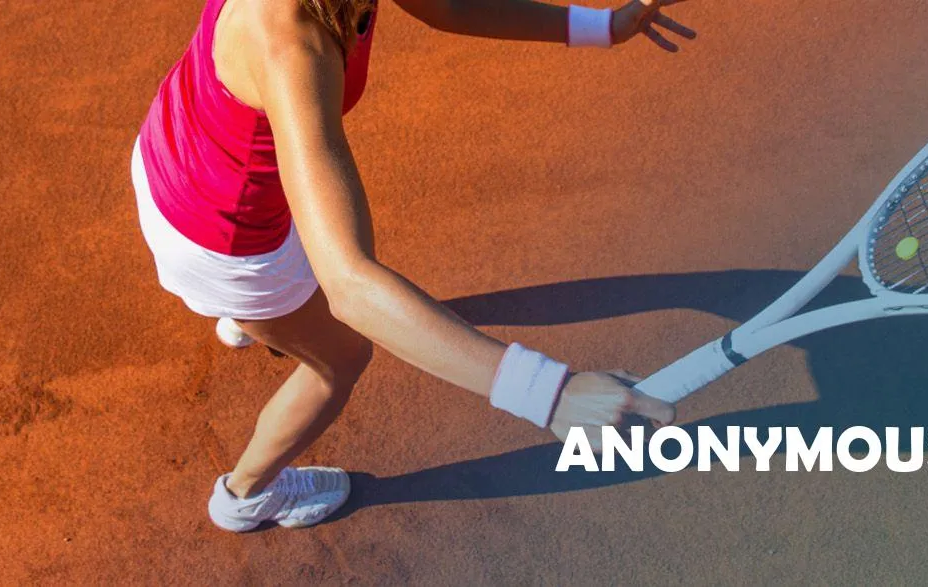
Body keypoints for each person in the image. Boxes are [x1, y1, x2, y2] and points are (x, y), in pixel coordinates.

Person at [129, 0, 695, 532]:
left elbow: (452, 6)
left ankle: (258, 316)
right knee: (343, 356)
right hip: (222, 240)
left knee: (313, 259)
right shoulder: (291, 46)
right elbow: (349, 284)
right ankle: (247, 496)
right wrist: (552, 394)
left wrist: (604, 26)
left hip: (180, 148)